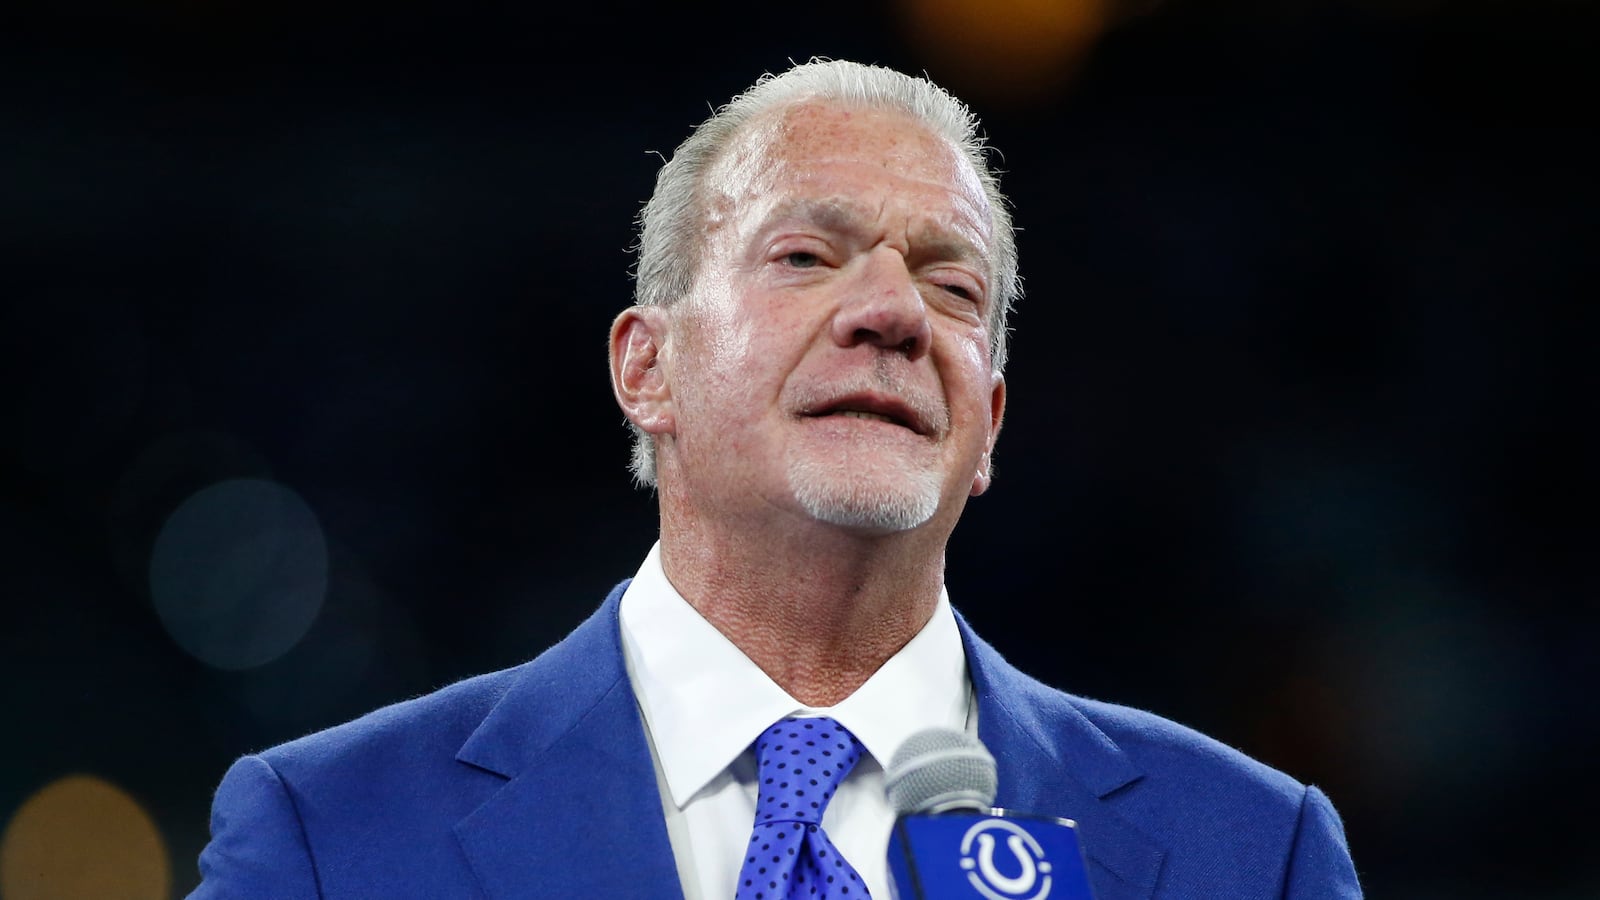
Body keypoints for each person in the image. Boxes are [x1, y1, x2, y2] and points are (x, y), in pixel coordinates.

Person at [188, 58, 1362, 899]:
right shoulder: (333, 836)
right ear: (647, 369)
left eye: (953, 287)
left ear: (988, 426)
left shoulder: (1249, 854)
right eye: (804, 256)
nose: (893, 311)